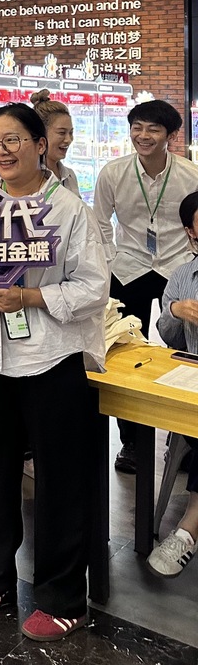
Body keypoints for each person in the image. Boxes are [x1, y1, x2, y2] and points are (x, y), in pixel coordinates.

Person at [0, 102, 108, 643]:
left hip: (50, 359)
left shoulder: (69, 210)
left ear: (40, 145)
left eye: (12, 139)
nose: (1, 150)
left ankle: (63, 596)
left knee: (60, 478)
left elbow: (93, 288)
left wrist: (31, 296)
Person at [93, 99, 198, 474]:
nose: (143, 135)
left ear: (172, 135)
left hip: (177, 265)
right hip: (129, 266)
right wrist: (109, 261)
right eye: (137, 127)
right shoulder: (113, 172)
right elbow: (100, 221)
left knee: (183, 349)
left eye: (153, 128)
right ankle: (132, 442)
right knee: (123, 350)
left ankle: (183, 439)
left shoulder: (190, 174)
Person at [147, 190, 198, 577]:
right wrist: (175, 311)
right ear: (190, 231)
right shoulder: (182, 276)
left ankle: (187, 530)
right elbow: (169, 338)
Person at [30, 90, 79, 195]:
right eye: (62, 133)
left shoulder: (70, 176)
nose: (68, 139)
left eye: (71, 133)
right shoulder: (28, 179)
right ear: (41, 134)